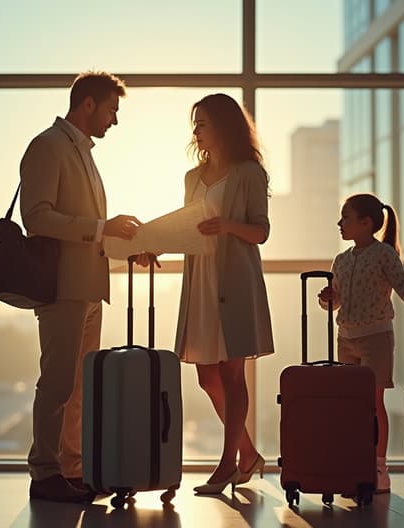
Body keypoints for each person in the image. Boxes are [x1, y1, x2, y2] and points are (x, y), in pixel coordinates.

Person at [20, 71, 142, 502]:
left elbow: (92, 229)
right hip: (62, 287)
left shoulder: (85, 154)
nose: (114, 120)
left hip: (90, 287)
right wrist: (99, 227)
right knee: (56, 382)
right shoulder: (48, 146)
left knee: (77, 386)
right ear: (88, 104)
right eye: (112, 109)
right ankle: (45, 473)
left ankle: (72, 470)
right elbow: (36, 217)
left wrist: (130, 245)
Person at [175, 93, 274, 494]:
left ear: (224, 126)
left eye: (202, 123)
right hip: (200, 281)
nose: (196, 131)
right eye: (194, 124)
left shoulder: (250, 173)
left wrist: (227, 226)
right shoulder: (191, 177)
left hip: (234, 281)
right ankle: (248, 454)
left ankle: (228, 465)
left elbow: (261, 231)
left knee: (233, 374)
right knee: (206, 376)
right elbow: (185, 227)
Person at [317, 193, 404, 494]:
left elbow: (403, 284)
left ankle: (378, 467)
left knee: (372, 403)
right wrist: (327, 299)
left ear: (366, 223)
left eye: (345, 217)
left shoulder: (384, 254)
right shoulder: (341, 260)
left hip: (376, 339)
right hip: (346, 339)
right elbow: (336, 299)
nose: (339, 223)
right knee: (352, 405)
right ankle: (356, 462)